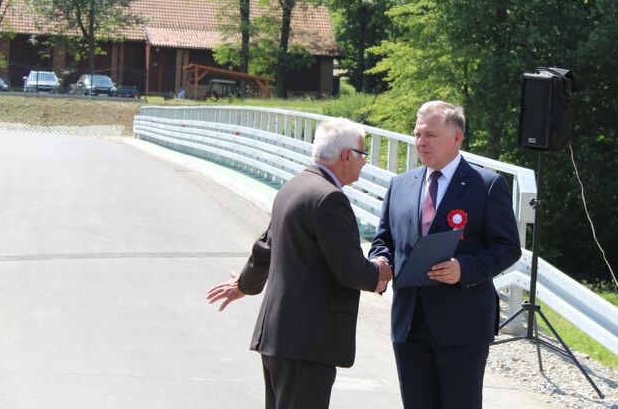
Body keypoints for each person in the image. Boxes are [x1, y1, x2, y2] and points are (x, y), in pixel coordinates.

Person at [206, 117, 391, 409]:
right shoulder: (330, 198)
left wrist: (244, 285)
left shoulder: (293, 187)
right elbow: (352, 271)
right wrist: (380, 270)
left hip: (279, 337)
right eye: (363, 154)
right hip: (307, 341)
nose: (364, 162)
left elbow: (265, 248)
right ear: (346, 155)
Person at [368, 100, 522, 409]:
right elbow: (384, 239)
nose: (421, 142)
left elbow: (507, 248)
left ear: (457, 138)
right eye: (417, 134)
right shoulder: (400, 185)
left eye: (430, 135)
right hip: (409, 323)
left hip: (462, 325)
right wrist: (381, 262)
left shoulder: (486, 185)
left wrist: (464, 269)